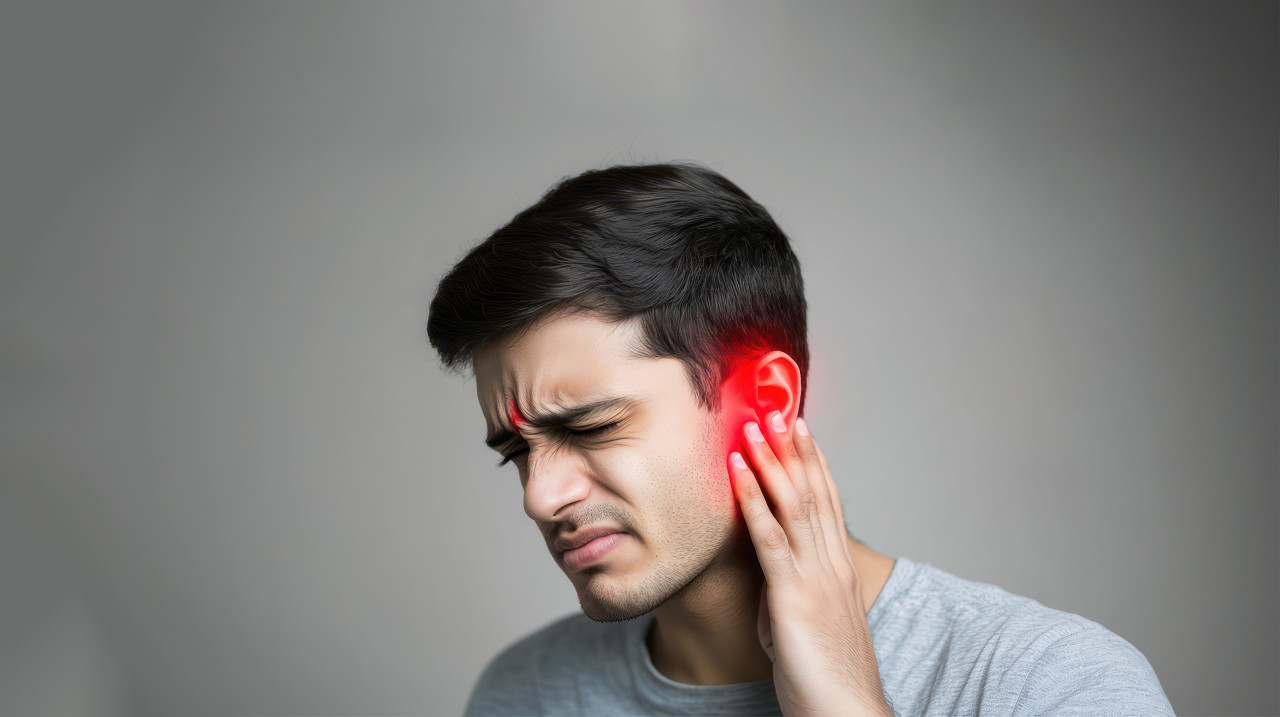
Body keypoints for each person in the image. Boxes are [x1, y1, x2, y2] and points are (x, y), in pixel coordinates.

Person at [426, 162, 1174, 716]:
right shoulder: (524, 693)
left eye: (593, 425)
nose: (540, 495)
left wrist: (845, 703)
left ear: (767, 399)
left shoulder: (1050, 683)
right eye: (518, 451)